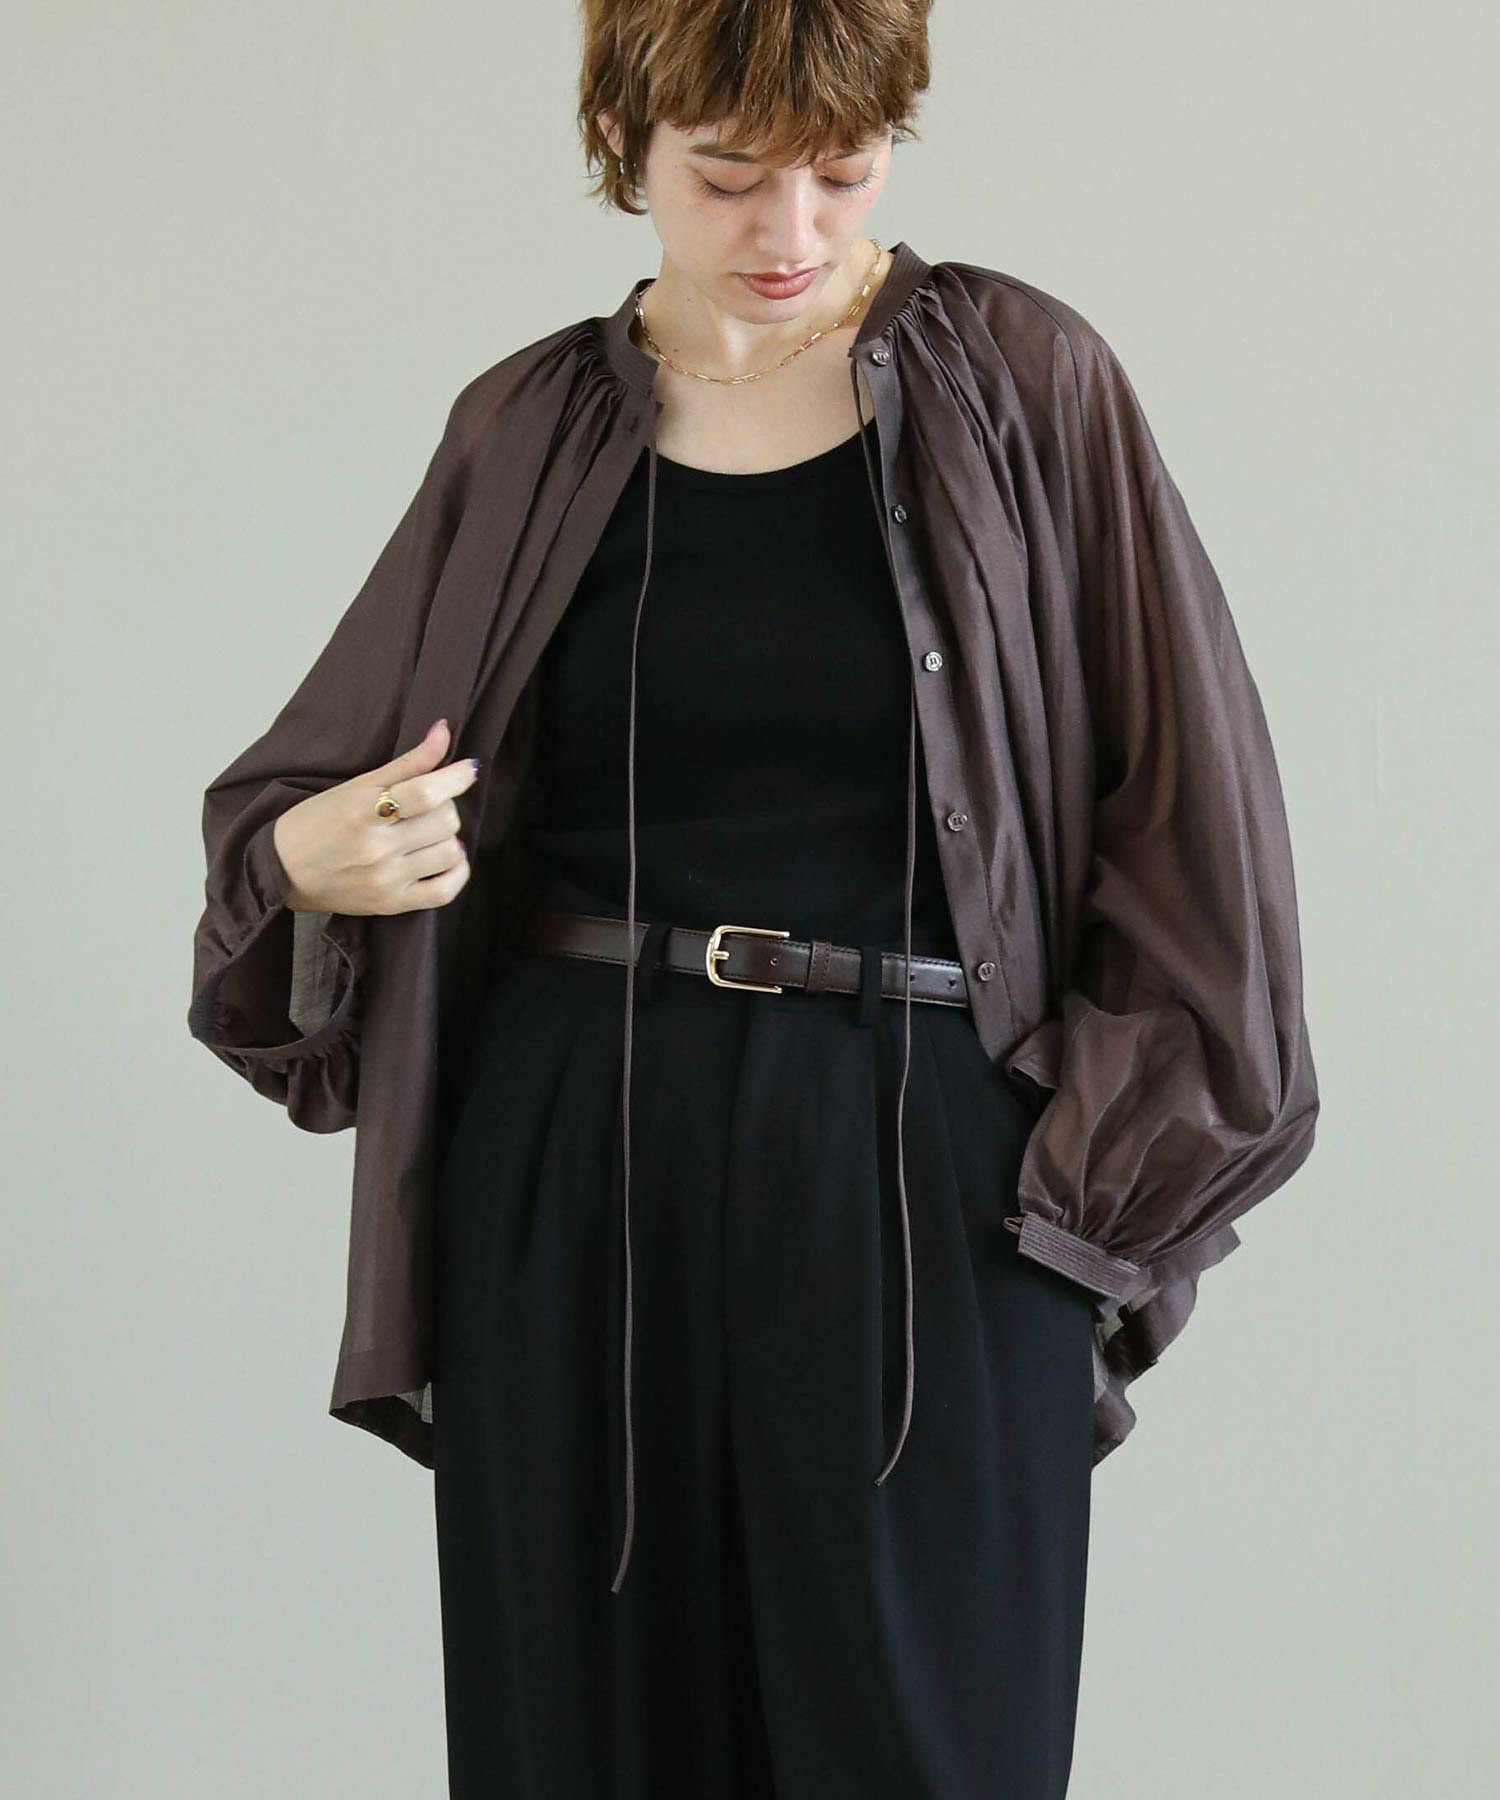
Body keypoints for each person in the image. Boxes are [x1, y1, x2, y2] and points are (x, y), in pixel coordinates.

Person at [187, 3, 1319, 1794]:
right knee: (585, 1746)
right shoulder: (531, 427)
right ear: (623, 139)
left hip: (927, 1168)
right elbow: (303, 801)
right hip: (574, 1158)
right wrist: (312, 859)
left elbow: (1198, 825)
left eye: (843, 175)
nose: (790, 232)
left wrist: (1077, 1195)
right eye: (728, 179)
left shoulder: (1023, 383)